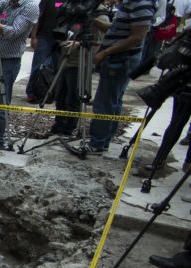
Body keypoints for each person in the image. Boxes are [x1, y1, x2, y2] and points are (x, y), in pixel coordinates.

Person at [80, 0, 157, 156]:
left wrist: (105, 52)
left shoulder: (141, 4)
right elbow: (113, 29)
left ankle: (98, 143)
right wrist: (91, 19)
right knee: (113, 100)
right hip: (117, 58)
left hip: (121, 59)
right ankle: (103, 140)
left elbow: (137, 37)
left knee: (105, 102)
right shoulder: (129, 4)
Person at [0, 0, 40, 149]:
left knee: (1, 103)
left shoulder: (30, 7)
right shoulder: (8, 3)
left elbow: (13, 32)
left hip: (10, 60)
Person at [46, 5, 111, 137]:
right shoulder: (74, 12)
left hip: (80, 63)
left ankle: (69, 128)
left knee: (73, 98)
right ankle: (58, 125)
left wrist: (80, 45)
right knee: (60, 97)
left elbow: (97, 44)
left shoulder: (99, 16)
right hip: (65, 59)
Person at [26, 0, 63, 103]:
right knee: (38, 66)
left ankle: (50, 93)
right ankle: (31, 92)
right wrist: (34, 36)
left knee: (57, 67)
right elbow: (38, 16)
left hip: (62, 38)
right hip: (44, 36)